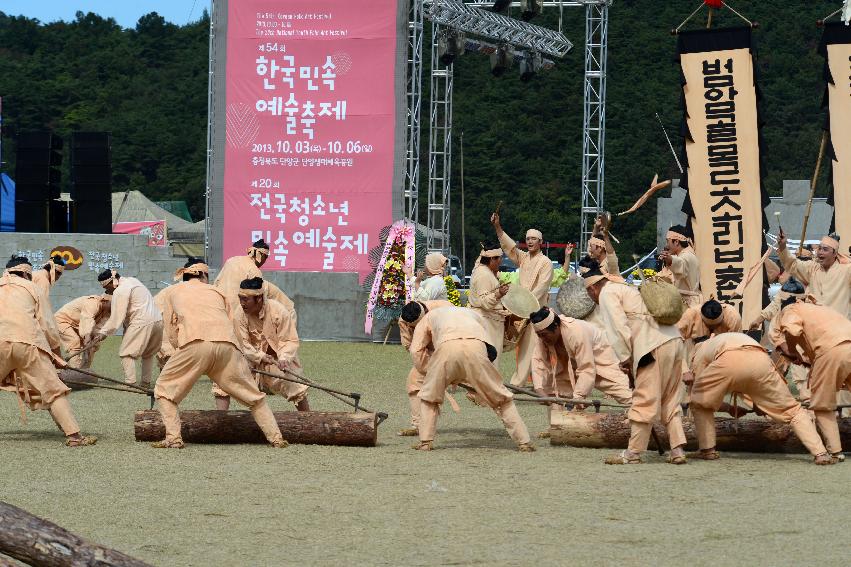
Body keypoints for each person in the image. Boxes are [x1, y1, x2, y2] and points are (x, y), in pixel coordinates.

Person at [153, 259, 287, 448]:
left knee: (163, 391)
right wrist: (243, 356)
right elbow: (230, 321)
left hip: (194, 343)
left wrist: (177, 350)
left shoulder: (173, 292)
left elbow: (170, 326)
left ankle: (174, 439)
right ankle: (277, 438)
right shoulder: (217, 292)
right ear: (202, 275)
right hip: (227, 346)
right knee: (254, 397)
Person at [583, 262, 687, 464]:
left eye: (589, 294)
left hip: (652, 347)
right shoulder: (625, 287)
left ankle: (633, 453)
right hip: (674, 340)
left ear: (592, 288)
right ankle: (678, 450)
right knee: (670, 399)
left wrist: (624, 358)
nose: (592, 299)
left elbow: (618, 328)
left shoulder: (606, 293)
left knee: (644, 399)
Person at [688, 332, 835, 465]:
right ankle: (820, 453)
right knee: (793, 410)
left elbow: (704, 398)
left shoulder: (699, 350)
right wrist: (757, 405)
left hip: (730, 360)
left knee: (698, 403)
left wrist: (728, 408)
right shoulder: (728, 337)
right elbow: (746, 379)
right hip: (762, 361)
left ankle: (707, 451)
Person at [409, 306, 534, 452]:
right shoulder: (474, 314)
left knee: (429, 397)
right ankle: (524, 442)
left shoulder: (428, 318)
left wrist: (429, 370)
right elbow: (489, 349)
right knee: (502, 399)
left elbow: (415, 350)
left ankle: (425, 442)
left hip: (446, 349)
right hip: (477, 348)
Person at [0, 256, 96, 446]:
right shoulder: (34, 287)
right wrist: (56, 356)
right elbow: (48, 326)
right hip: (28, 344)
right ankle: (74, 437)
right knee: (54, 391)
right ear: (27, 273)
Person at [212, 277, 310, 412]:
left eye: (245, 299)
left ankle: (308, 419)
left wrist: (283, 358)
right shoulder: (239, 314)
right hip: (248, 360)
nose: (241, 303)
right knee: (222, 378)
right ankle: (220, 420)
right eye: (240, 298)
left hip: (276, 359)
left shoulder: (279, 311)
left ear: (258, 299)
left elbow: (288, 340)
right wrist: (259, 356)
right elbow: (243, 344)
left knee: (295, 384)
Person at [773, 298, 851, 462]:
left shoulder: (791, 309)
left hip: (831, 351)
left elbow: (791, 331)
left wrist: (792, 350)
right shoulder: (821, 308)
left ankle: (836, 452)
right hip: (844, 344)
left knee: (822, 405)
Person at [491, 211, 553, 386]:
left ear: (540, 242)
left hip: (537, 312)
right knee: (532, 350)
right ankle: (534, 383)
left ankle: (524, 383)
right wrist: (497, 226)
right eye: (528, 238)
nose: (530, 241)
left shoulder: (546, 262)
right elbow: (509, 246)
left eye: (534, 238)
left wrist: (526, 305)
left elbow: (542, 287)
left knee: (533, 348)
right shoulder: (523, 258)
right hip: (522, 310)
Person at [529, 306, 632, 405]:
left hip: (600, 360)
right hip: (571, 364)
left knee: (629, 397)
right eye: (539, 335)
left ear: (556, 327)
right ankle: (564, 418)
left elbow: (586, 368)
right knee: (554, 393)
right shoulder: (543, 335)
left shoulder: (576, 332)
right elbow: (538, 361)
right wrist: (539, 390)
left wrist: (578, 397)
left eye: (544, 335)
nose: (542, 339)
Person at [94, 269, 163, 389]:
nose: (107, 290)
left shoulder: (120, 291)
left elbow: (117, 317)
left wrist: (102, 333)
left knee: (126, 353)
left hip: (141, 322)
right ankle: (145, 383)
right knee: (148, 354)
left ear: (112, 282)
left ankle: (130, 383)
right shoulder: (133, 281)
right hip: (157, 320)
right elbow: (126, 316)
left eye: (106, 287)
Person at [397, 299, 453, 436]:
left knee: (482, 388)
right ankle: (418, 425)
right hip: (428, 355)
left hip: (453, 350)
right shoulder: (404, 320)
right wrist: (426, 361)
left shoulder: (445, 308)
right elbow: (409, 346)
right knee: (413, 382)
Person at [749, 278, 809, 402]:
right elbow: (774, 306)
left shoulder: (811, 304)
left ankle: (808, 399)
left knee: (804, 374)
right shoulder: (777, 320)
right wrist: (758, 320)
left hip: (804, 338)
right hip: (783, 336)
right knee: (775, 371)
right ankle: (772, 398)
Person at [214, 238, 296, 315]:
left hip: (220, 309)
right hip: (238, 313)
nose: (265, 261)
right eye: (266, 257)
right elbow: (257, 300)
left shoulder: (231, 260)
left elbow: (217, 282)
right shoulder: (254, 270)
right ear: (261, 256)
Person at [467, 243, 509, 365]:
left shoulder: (484, 271)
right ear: (492, 259)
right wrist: (499, 294)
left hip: (488, 321)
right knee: (489, 360)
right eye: (499, 258)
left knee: (488, 359)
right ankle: (486, 384)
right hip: (486, 322)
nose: (501, 261)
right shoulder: (483, 274)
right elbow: (484, 302)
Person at [54, 293, 112, 369]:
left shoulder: (108, 311)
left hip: (78, 325)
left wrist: (96, 337)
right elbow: (87, 319)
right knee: (74, 341)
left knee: (93, 345)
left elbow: (100, 327)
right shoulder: (92, 303)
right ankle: (74, 370)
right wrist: (87, 335)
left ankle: (85, 371)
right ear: (105, 301)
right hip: (62, 320)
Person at [658, 224, 702, 309]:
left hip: (690, 305)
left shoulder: (687, 256)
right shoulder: (684, 255)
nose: (666, 245)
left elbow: (680, 264)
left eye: (668, 241)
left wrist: (669, 259)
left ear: (676, 242)